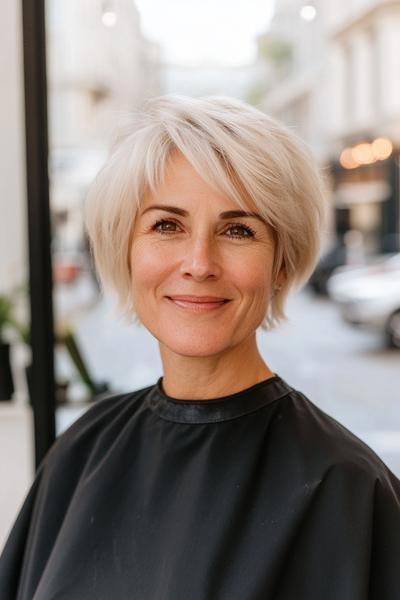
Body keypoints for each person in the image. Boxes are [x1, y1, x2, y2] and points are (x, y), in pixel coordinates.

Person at [1, 95, 399, 599]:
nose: (199, 262)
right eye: (167, 225)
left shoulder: (347, 487)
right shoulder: (82, 450)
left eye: (238, 229)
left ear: (280, 262)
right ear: (126, 250)